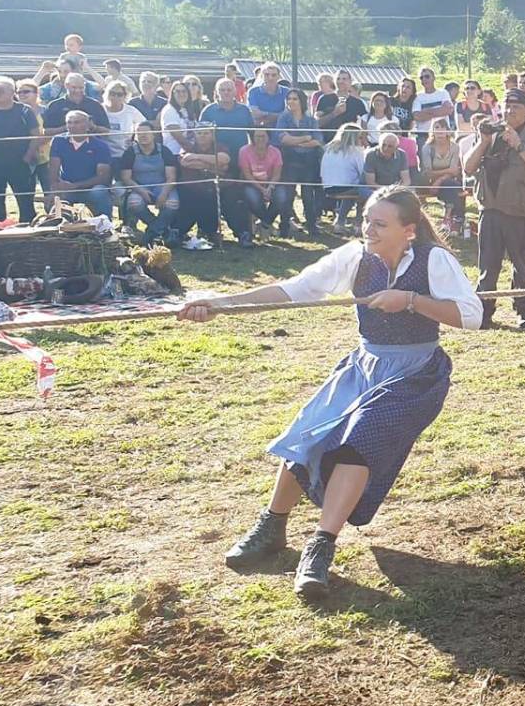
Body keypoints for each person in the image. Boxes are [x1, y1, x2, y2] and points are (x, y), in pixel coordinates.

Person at [182, 187, 481, 597]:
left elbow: (472, 315)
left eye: (380, 224)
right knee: (309, 433)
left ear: (408, 230)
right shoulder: (354, 256)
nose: (368, 230)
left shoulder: (435, 260)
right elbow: (294, 290)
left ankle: (320, 546)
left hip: (416, 372)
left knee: (361, 439)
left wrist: (411, 299)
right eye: (366, 221)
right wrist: (220, 301)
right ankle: (272, 526)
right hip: (365, 365)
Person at [463, 89, 525, 329]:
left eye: (517, 106)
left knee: (521, 265)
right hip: (490, 208)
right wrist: (482, 141)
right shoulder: (490, 131)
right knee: (487, 266)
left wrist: (520, 146)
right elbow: (468, 167)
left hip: (521, 209)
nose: (511, 110)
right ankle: (483, 313)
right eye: (507, 105)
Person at [0, 76, 40, 222]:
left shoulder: (24, 110)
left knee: (25, 201)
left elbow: (35, 135)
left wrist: (27, 157)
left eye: (1, 90)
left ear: (12, 92)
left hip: (19, 163)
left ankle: (28, 230)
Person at [117, 123, 179, 245]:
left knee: (173, 203)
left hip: (162, 186)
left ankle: (152, 232)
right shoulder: (130, 152)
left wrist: (164, 194)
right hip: (138, 186)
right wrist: (142, 191)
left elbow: (171, 176)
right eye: (139, 133)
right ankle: (160, 229)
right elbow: (126, 178)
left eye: (146, 132)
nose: (143, 136)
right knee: (134, 203)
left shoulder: (164, 151)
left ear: (154, 134)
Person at [45, 110, 114, 217]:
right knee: (54, 198)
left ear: (87, 126)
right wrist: (55, 187)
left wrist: (75, 186)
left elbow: (103, 177)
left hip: (91, 187)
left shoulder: (101, 145)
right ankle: (61, 227)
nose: (72, 125)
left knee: (100, 192)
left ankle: (104, 226)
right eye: (69, 122)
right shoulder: (58, 141)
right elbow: (53, 169)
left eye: (77, 122)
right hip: (66, 186)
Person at [274, 89, 324, 237]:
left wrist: (295, 141)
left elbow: (317, 140)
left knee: (308, 195)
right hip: (289, 160)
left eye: (295, 99)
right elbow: (283, 139)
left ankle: (311, 225)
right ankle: (284, 226)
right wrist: (305, 138)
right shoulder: (283, 118)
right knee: (288, 195)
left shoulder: (311, 120)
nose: (291, 101)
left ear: (302, 101)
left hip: (309, 161)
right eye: (289, 99)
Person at [237, 128, 290, 244]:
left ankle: (265, 224)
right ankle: (266, 223)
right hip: (251, 184)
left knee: (282, 197)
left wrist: (270, 187)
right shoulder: (244, 151)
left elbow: (277, 175)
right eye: (257, 136)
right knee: (253, 198)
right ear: (253, 138)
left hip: (271, 183)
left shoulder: (275, 152)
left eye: (263, 136)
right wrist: (261, 189)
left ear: (268, 138)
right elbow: (247, 174)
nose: (260, 139)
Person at [418, 125, 466, 239]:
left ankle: (450, 218)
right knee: (452, 186)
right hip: (428, 181)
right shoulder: (427, 148)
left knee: (452, 185)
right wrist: (447, 171)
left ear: (448, 131)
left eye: (442, 127)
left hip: (446, 180)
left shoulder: (454, 147)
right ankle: (456, 219)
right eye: (437, 127)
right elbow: (428, 172)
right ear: (433, 131)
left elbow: (455, 171)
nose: (440, 130)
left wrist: (439, 179)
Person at [320, 125, 367, 235]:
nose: (362, 140)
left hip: (328, 187)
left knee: (352, 191)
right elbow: (363, 172)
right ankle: (358, 224)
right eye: (360, 137)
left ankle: (340, 223)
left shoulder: (330, 149)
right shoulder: (356, 151)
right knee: (365, 191)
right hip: (345, 187)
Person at [410, 67, 453, 136]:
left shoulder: (443, 93)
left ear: (433, 78)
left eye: (427, 76)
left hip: (442, 133)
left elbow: (448, 110)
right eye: (421, 78)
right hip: (423, 134)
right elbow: (417, 116)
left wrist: (426, 111)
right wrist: (439, 111)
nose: (424, 79)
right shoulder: (417, 97)